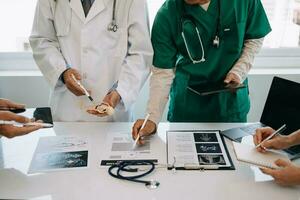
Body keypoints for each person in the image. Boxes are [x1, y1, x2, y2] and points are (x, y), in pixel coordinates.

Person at [132, 0, 272, 144]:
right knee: (183, 161)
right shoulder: (168, 14)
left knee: (232, 162)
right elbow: (162, 72)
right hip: (188, 107)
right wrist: (152, 119)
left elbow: (254, 38)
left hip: (229, 105)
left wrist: (239, 71)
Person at [30, 0, 153, 122]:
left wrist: (120, 91)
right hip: (67, 112)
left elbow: (140, 54)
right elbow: (42, 40)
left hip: (113, 119)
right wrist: (62, 72)